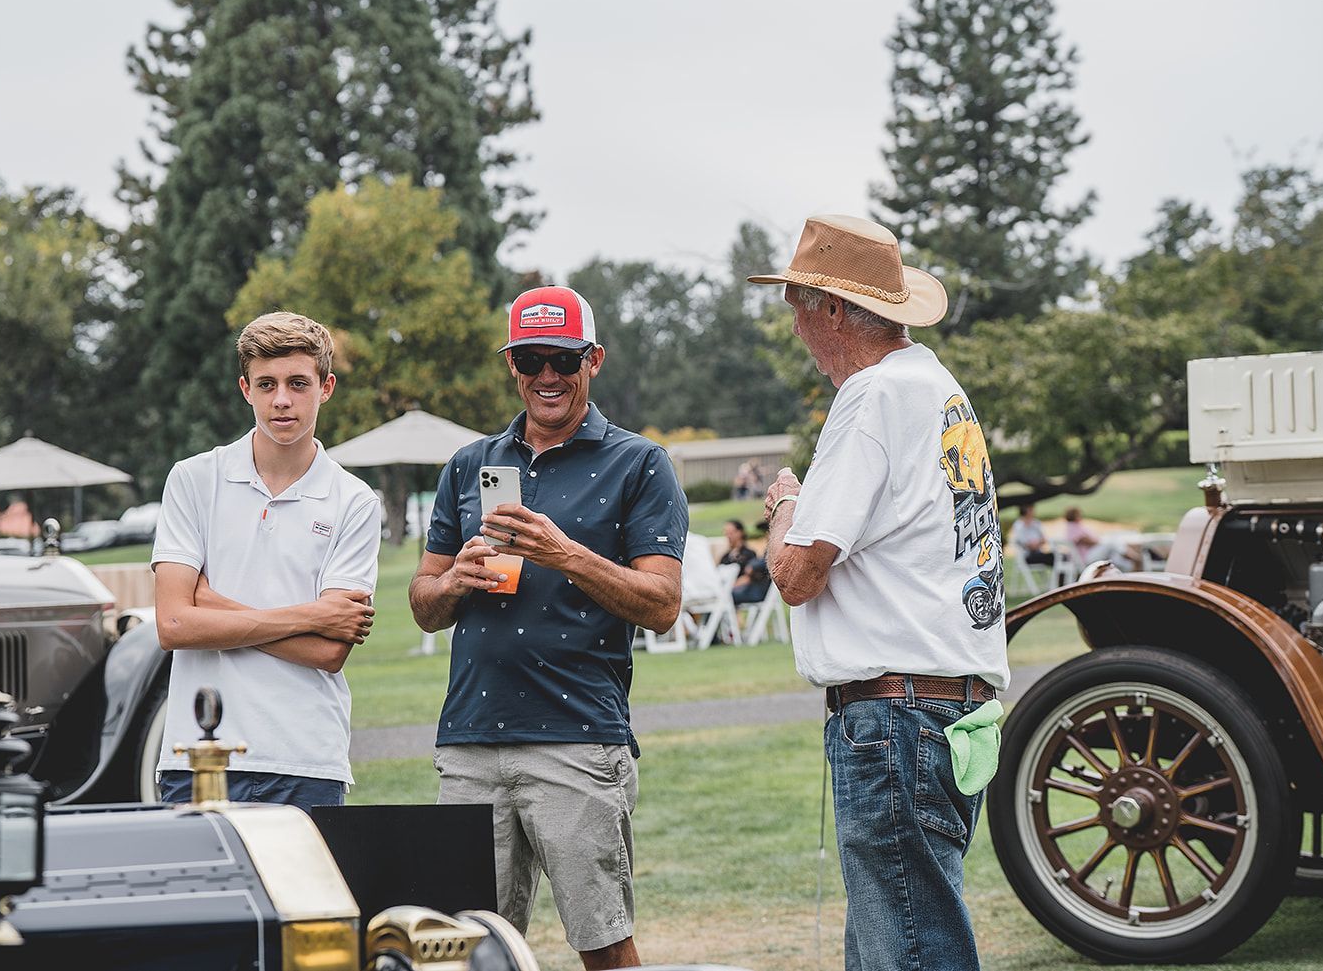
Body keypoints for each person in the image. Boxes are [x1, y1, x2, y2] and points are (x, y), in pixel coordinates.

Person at [750, 214, 1010, 971]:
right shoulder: (936, 386)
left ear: (833, 310)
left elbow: (797, 575)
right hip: (947, 710)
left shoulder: (870, 397)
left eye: (799, 306)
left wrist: (785, 506)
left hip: (894, 719)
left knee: (909, 954)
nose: (797, 327)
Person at [409, 285, 687, 971]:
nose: (547, 376)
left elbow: (662, 603)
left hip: (577, 742)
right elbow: (421, 601)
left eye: (562, 358)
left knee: (603, 944)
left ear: (594, 358)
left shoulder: (639, 462)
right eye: (530, 358)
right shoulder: (470, 465)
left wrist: (563, 553)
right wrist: (453, 582)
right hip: (470, 742)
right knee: (462, 953)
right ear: (512, 366)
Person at [151, 312, 380, 809]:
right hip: (196, 756)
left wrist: (209, 604)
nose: (281, 399)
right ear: (245, 389)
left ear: (326, 387)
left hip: (305, 760)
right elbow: (172, 625)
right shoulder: (193, 480)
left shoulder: (355, 500)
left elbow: (329, 653)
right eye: (267, 383)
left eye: (298, 383)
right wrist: (315, 614)